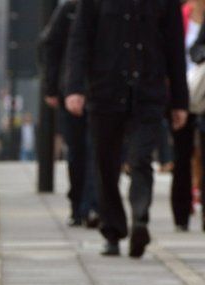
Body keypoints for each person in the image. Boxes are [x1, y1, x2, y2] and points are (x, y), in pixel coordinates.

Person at [66, 0, 188, 258]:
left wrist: (180, 101)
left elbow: (175, 48)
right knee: (106, 165)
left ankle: (140, 217)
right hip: (106, 90)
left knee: (141, 158)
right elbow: (79, 41)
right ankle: (113, 230)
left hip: (148, 91)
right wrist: (74, 88)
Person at [41, 0, 99, 228]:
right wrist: (51, 88)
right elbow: (50, 48)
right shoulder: (68, 10)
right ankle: (77, 205)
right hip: (72, 91)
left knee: (96, 149)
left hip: (100, 91)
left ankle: (93, 206)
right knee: (77, 151)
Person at [170, 0, 205, 231]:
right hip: (179, 93)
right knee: (182, 156)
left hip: (203, 92)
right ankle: (181, 214)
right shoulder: (178, 14)